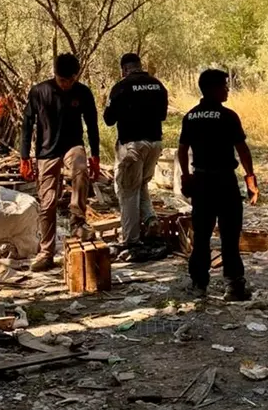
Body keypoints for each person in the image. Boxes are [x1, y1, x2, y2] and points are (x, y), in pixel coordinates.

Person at [178, 69, 259, 301]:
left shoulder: (190, 116)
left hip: (201, 181)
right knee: (229, 234)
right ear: (213, 89)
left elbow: (183, 149)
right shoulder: (228, 116)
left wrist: (186, 176)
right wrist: (250, 177)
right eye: (224, 85)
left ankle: (198, 284)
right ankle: (234, 286)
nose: (227, 89)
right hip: (224, 182)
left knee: (201, 235)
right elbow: (242, 149)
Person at [20, 53, 101, 272]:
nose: (65, 84)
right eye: (62, 80)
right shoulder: (39, 92)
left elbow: (92, 124)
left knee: (80, 169)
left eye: (70, 80)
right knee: (47, 203)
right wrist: (24, 156)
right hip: (46, 152)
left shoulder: (83, 92)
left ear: (76, 77)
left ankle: (77, 220)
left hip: (72, 145)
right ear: (55, 75)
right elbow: (27, 124)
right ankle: (46, 252)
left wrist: (95, 154)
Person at [103, 53, 168, 256]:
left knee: (127, 191)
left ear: (124, 69)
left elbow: (108, 119)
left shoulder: (120, 88)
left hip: (132, 146)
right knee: (141, 185)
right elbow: (163, 115)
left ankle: (131, 240)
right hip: (155, 143)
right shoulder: (158, 85)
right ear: (140, 66)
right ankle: (151, 220)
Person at [0, 83, 17, 156]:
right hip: (0, 116)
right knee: (1, 133)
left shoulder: (5, 96)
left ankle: (5, 149)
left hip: (6, 117)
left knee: (7, 133)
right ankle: (2, 149)